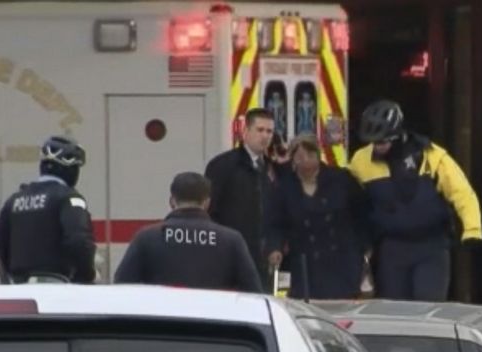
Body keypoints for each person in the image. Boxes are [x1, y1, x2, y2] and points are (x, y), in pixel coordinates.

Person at [349, 99, 482, 302]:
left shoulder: (431, 155)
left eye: (382, 142)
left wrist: (472, 229)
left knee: (428, 309)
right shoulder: (361, 160)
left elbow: (461, 192)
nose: (377, 147)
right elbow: (349, 197)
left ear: (396, 137)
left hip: (431, 247)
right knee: (395, 313)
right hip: (392, 248)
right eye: (373, 142)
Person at [114, 172, 262, 293]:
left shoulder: (147, 238)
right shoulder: (231, 241)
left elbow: (122, 286)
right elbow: (253, 292)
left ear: (172, 201)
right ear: (206, 203)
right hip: (215, 325)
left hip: (160, 324)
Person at [266, 134, 369, 299]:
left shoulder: (341, 179)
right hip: (305, 265)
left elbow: (363, 213)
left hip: (341, 261)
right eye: (300, 156)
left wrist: (363, 248)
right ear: (293, 159)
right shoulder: (284, 187)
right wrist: (275, 247)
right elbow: (275, 222)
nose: (305, 160)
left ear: (319, 154)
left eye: (310, 155)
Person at [0, 136, 95, 284]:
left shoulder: (14, 201)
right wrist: (86, 275)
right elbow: (79, 241)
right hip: (56, 287)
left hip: (17, 289)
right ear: (71, 169)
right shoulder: (69, 199)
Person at [205, 108, 277, 283]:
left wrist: (275, 246)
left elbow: (276, 213)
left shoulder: (271, 169)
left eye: (269, 131)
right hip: (229, 255)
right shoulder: (223, 165)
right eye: (259, 130)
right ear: (245, 131)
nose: (265, 136)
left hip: (262, 259)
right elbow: (210, 211)